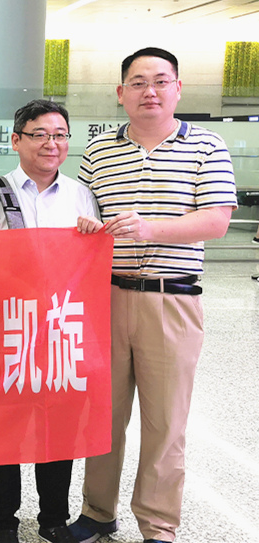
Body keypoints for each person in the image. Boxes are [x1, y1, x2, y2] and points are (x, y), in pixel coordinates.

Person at [70, 47, 237, 543]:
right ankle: (97, 512)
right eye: (139, 82)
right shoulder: (98, 151)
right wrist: (84, 227)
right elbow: (82, 212)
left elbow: (216, 220)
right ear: (120, 93)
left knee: (166, 422)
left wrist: (149, 229)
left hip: (172, 300)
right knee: (102, 417)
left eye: (161, 81)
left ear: (178, 89)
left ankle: (159, 524)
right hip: (104, 299)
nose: (150, 91)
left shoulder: (207, 145)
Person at [0, 99, 96, 543]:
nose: (51, 144)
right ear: (16, 140)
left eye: (59, 135)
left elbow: (91, 267)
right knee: (3, 431)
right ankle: (2, 522)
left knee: (58, 430)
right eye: (39, 135)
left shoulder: (81, 195)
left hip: (60, 333)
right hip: (6, 330)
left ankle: (54, 518)